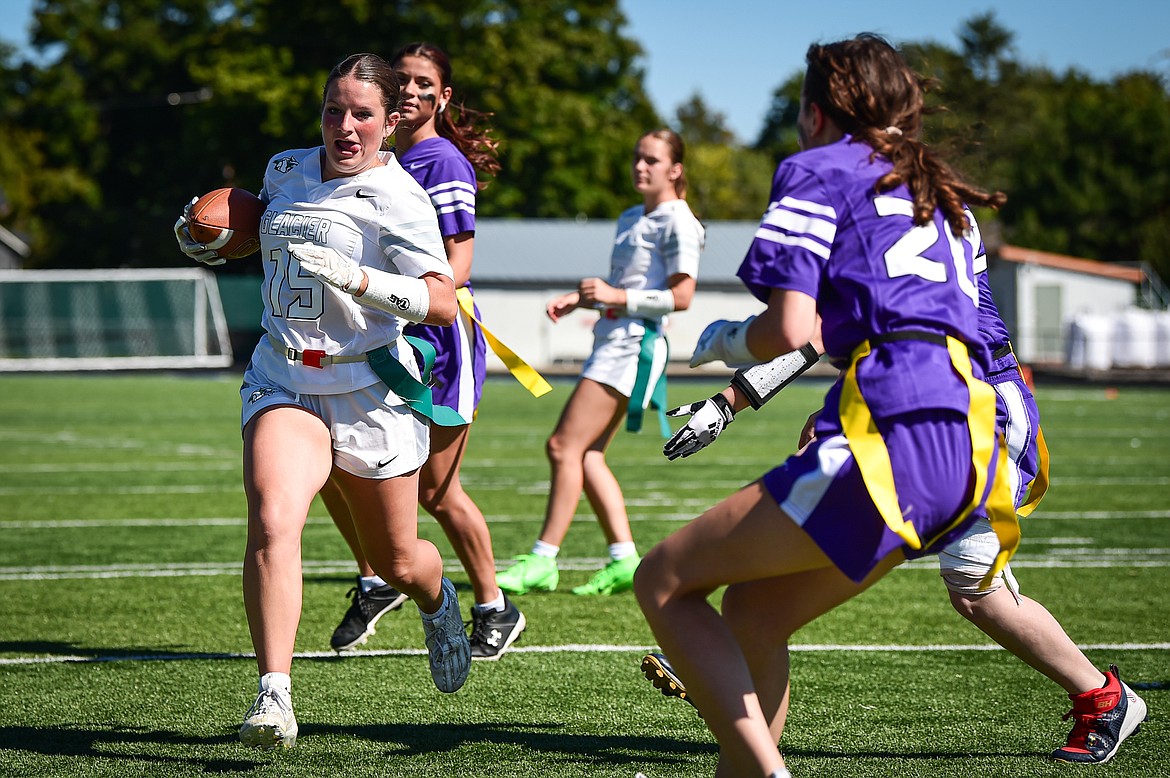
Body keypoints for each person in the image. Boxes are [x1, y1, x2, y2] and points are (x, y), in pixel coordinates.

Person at [633, 33, 1028, 777]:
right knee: (754, 615)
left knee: (662, 580)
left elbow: (790, 329)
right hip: (969, 446)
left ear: (816, 114)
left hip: (893, 433)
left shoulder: (817, 168)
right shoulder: (931, 189)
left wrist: (730, 340)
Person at [643, 245, 1148, 765]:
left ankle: (723, 652)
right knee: (960, 584)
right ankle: (729, 652)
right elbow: (864, 325)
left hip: (968, 408)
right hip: (914, 399)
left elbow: (814, 327)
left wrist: (733, 389)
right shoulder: (896, 198)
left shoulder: (898, 206)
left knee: (975, 589)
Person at [173, 52, 471, 750]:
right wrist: (209, 237)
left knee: (398, 560)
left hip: (367, 387)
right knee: (274, 517)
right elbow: (261, 237)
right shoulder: (284, 169)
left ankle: (438, 597)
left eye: (361, 113)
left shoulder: (401, 197)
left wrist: (360, 280)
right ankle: (273, 694)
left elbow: (439, 303)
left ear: (391, 119)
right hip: (284, 377)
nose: (344, 125)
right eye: (333, 109)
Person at [320, 41, 526, 662]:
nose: (410, 91)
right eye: (401, 81)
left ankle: (494, 604)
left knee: (436, 491)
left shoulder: (439, 161)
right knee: (333, 460)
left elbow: (457, 266)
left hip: (439, 343)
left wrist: (382, 293)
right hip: (392, 338)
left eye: (423, 83)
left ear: (444, 95)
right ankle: (379, 578)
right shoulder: (384, 159)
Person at [494, 128, 704, 598]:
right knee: (586, 455)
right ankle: (624, 558)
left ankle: (543, 560)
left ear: (675, 169)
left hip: (633, 347)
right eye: (636, 157)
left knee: (562, 447)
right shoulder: (631, 216)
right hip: (612, 340)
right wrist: (580, 300)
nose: (640, 166)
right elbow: (619, 285)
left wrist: (614, 296)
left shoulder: (679, 221)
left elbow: (682, 297)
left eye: (651, 159)